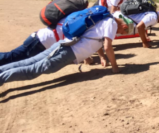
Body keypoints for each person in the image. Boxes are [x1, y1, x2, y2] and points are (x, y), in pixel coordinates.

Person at [0, 17, 129, 87]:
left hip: (64, 44)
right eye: (123, 32)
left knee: (30, 62)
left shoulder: (104, 20)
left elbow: (94, 40)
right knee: (32, 70)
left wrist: (99, 57)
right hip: (68, 52)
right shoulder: (112, 24)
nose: (120, 34)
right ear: (123, 26)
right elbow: (107, 46)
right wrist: (115, 67)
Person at [0, 19, 66, 66]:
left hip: (38, 40)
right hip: (38, 42)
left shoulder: (71, 17)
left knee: (14, 57)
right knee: (13, 58)